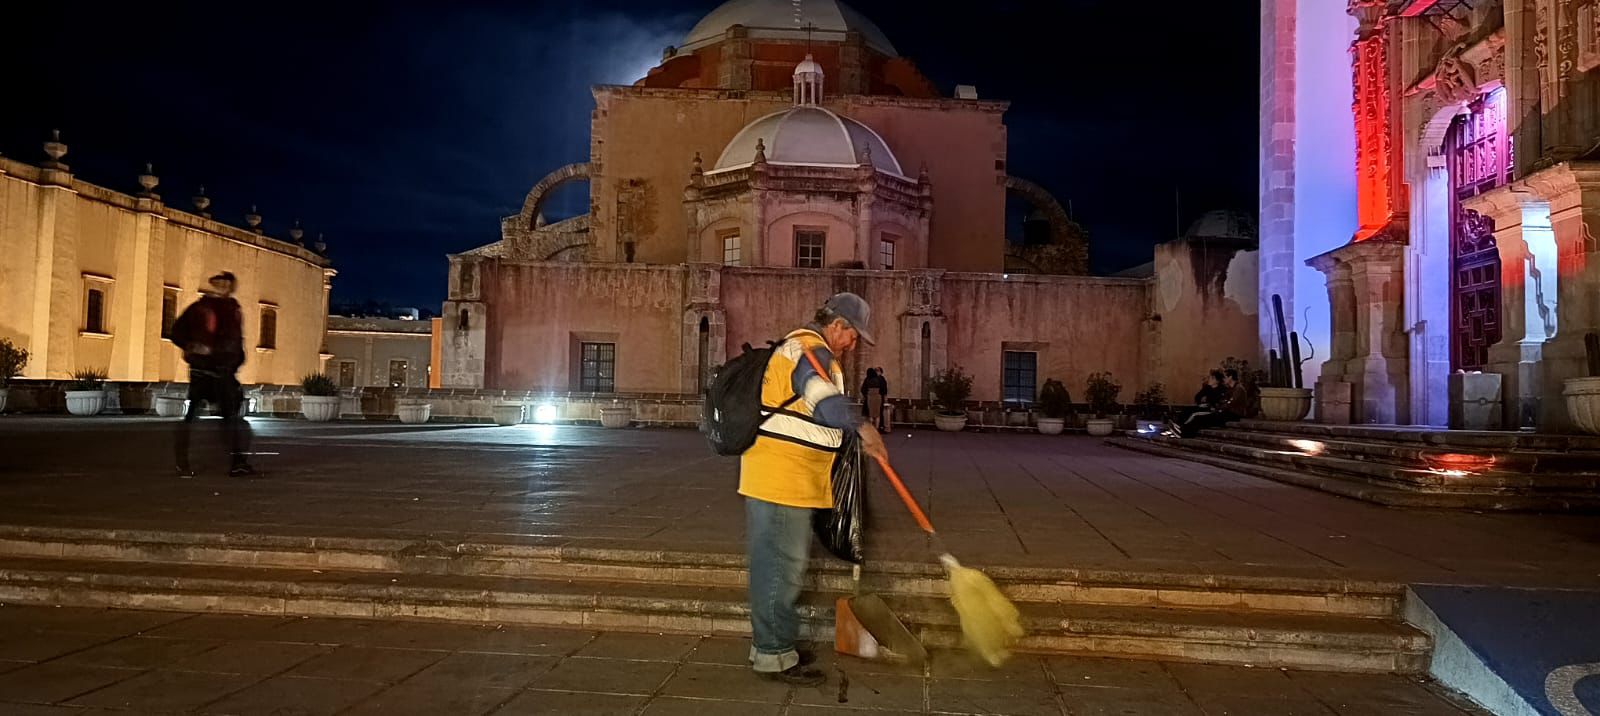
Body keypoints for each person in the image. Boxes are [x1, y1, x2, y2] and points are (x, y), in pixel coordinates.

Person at [740, 292, 887, 686]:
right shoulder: (811, 350)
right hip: (782, 479)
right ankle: (774, 656)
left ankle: (770, 645)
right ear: (837, 324)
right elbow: (823, 404)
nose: (854, 345)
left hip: (787, 477)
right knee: (780, 570)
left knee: (778, 566)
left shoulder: (807, 349)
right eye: (854, 335)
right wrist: (864, 427)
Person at [170, 271, 257, 478]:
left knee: (232, 419)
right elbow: (177, 332)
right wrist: (193, 346)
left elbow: (236, 340)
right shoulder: (200, 308)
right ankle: (182, 462)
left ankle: (238, 463)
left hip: (224, 372)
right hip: (203, 371)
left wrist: (237, 359)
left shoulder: (233, 309)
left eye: (228, 284)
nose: (225, 288)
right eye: (221, 284)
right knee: (192, 416)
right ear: (215, 285)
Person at [1174, 369, 1251, 438]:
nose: (1223, 379)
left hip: (1233, 414)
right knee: (1197, 415)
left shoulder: (1238, 389)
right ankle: (1181, 430)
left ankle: (1184, 433)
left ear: (1230, 377)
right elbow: (1223, 401)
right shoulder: (1230, 389)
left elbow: (1230, 403)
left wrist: (1218, 408)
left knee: (1201, 417)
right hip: (1225, 412)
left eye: (1225, 377)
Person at [860, 367, 889, 432]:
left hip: (870, 397)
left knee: (870, 414)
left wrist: (865, 395)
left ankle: (871, 429)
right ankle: (877, 429)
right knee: (877, 414)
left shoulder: (867, 379)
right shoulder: (879, 379)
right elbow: (884, 389)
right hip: (878, 398)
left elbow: (863, 389)